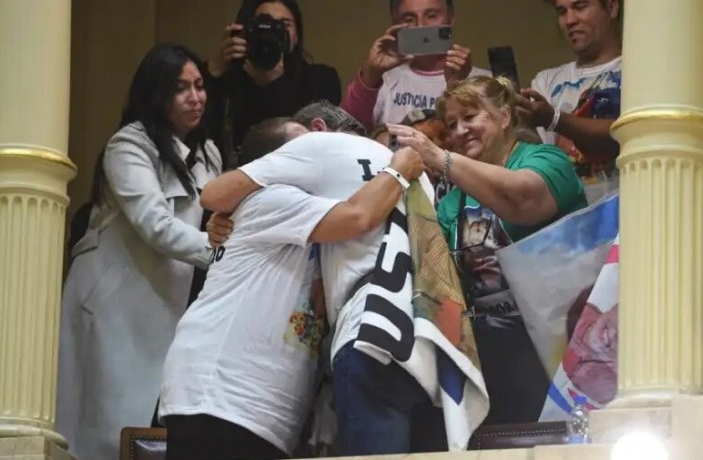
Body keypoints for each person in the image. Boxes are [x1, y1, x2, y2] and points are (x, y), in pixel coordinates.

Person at [160, 116, 425, 460]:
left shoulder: (301, 216)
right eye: (307, 146)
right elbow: (359, 215)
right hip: (220, 394)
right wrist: (398, 169)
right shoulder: (271, 200)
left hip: (257, 407)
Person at [387, 76, 588, 424]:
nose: (460, 131)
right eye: (451, 124)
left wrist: (439, 156)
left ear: (505, 116)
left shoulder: (546, 159)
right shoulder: (451, 203)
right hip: (497, 353)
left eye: (470, 117)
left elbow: (523, 201)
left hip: (560, 342)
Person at [56, 43, 222, 460]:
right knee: (102, 428)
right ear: (156, 94)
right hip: (115, 301)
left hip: (168, 301)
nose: (195, 97)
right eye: (181, 88)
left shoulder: (209, 153)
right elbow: (155, 224)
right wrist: (222, 255)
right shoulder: (128, 145)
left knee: (152, 426)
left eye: (200, 85)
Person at [516, 0, 622, 204]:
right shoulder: (546, 81)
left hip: (629, 214)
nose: (569, 20)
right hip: (568, 218)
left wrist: (554, 119)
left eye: (580, 7)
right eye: (562, 11)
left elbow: (625, 132)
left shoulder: (638, 70)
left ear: (611, 7)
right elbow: (538, 164)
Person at [206, 0, 341, 160]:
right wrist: (214, 68)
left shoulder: (320, 79)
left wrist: (273, 86)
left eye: (284, 24)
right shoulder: (229, 79)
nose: (272, 33)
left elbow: (317, 144)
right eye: (263, 24)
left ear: (297, 35)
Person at [340, 0, 490, 131]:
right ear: (396, 25)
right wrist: (370, 75)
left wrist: (458, 86)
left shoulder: (485, 82)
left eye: (432, 16)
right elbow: (344, 131)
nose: (421, 26)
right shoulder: (383, 82)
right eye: (409, 19)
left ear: (451, 19)